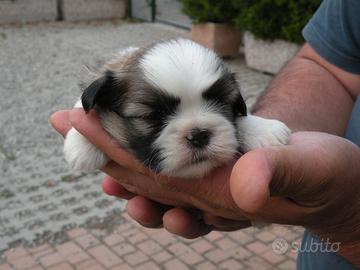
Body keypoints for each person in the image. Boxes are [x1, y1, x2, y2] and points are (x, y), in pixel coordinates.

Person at [51, 0, 360, 268]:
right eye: (152, 116)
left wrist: (347, 219)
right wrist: (83, 130)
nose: (197, 132)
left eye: (218, 106)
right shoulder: (112, 87)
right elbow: (326, 66)